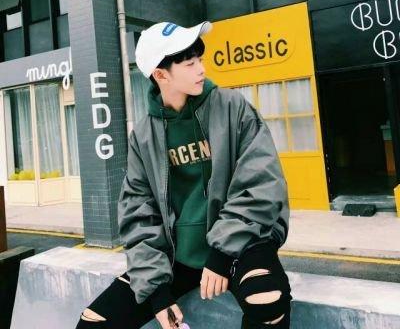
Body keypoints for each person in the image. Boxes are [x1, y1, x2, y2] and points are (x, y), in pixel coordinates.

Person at [75, 21, 292, 329]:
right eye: (190, 64)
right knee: (93, 322)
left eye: (199, 60)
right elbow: (138, 214)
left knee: (267, 300)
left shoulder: (232, 107)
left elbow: (261, 184)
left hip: (242, 243)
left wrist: (221, 255)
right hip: (177, 255)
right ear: (161, 75)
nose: (201, 69)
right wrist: (157, 293)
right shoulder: (144, 136)